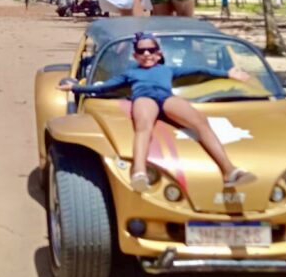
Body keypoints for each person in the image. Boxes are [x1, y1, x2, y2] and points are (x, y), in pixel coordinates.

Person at [58, 31, 255, 191]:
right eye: (141, 51)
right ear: (135, 56)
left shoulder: (167, 70)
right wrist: (76, 88)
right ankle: (139, 171)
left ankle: (229, 170)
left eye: (151, 50)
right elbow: (103, 87)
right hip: (144, 99)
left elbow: (199, 71)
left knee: (199, 121)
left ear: (159, 53)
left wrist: (227, 74)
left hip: (166, 98)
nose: (146, 54)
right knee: (143, 128)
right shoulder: (130, 73)